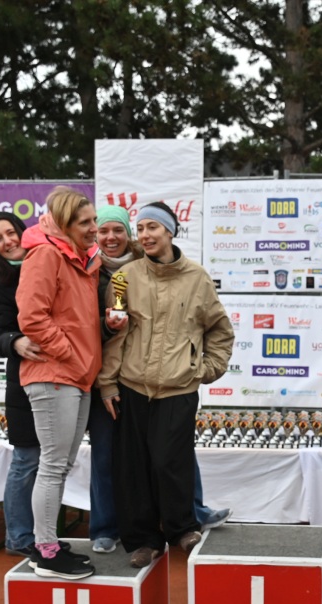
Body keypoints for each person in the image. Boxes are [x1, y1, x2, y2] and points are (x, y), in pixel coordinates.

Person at [87, 205, 231, 555]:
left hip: (178, 387)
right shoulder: (124, 278)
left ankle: (182, 528)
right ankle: (142, 541)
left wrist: (204, 369)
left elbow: (219, 329)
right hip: (131, 386)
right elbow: (115, 336)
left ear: (170, 231)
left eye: (153, 227)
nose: (145, 235)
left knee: (171, 461)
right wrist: (108, 383)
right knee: (133, 467)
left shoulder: (198, 278)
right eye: (140, 228)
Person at [14, 187, 101, 581]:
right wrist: (69, 352)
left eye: (94, 220)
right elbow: (32, 316)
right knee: (52, 465)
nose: (94, 228)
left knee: (61, 464)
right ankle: (46, 551)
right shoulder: (46, 254)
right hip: (55, 375)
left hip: (76, 374)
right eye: (85, 222)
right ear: (65, 224)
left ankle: (46, 541)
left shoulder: (80, 257)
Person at [0, 211, 42, 558]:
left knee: (51, 463)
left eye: (10, 232)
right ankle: (19, 536)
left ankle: (45, 535)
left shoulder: (47, 264)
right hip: (23, 383)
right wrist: (15, 341)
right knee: (26, 459)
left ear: (22, 232)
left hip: (61, 378)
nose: (8, 241)